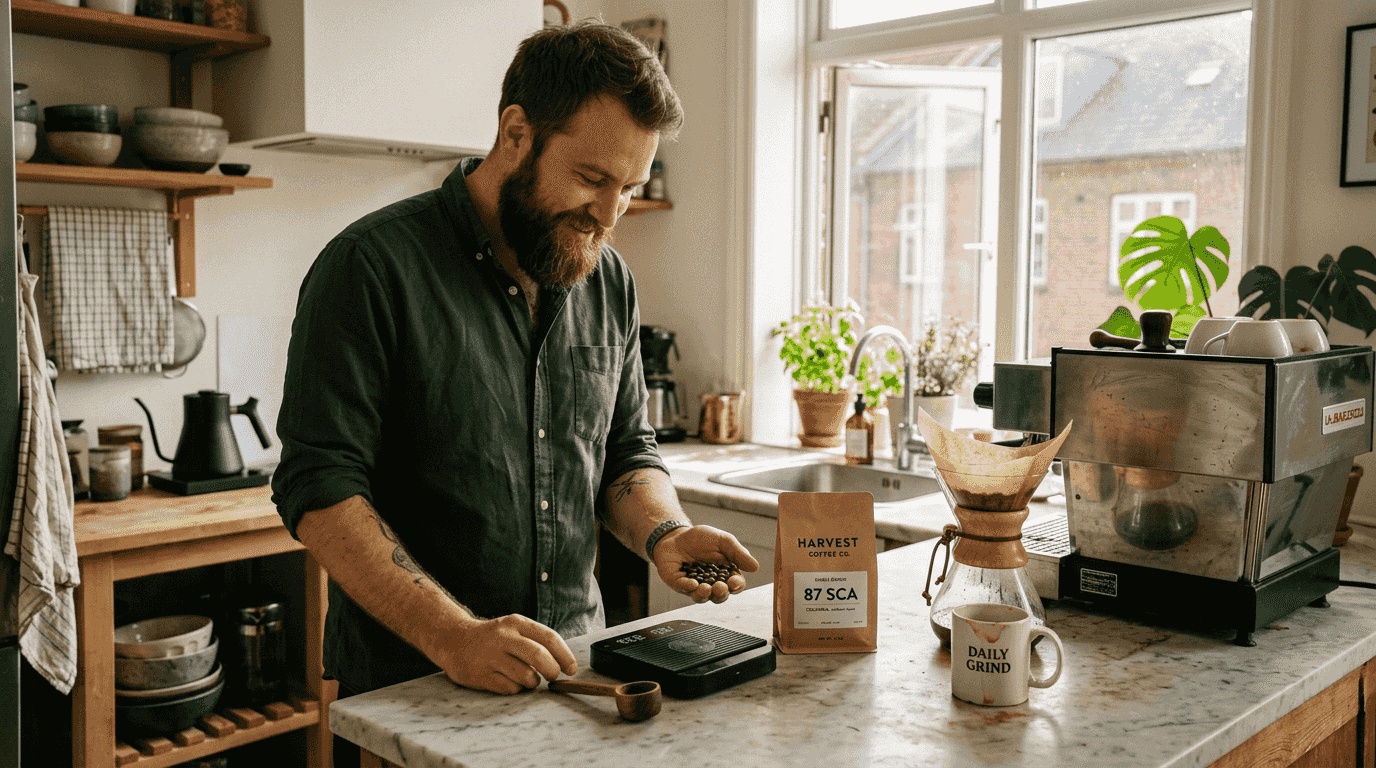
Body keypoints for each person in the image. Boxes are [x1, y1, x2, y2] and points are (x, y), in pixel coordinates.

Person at [270, 20, 760, 763]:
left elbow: (627, 450)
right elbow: (317, 486)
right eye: (593, 179)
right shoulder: (369, 267)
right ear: (515, 133)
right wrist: (453, 635)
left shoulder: (610, 281)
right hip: (411, 688)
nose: (608, 214)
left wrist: (664, 531)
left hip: (576, 672)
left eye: (628, 190)